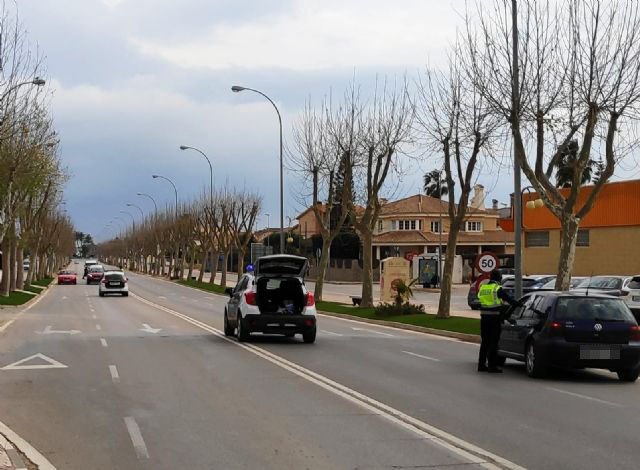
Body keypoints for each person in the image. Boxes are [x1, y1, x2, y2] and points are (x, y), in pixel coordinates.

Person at [477, 270, 518, 373]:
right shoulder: (497, 288)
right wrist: (517, 304)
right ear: (499, 278)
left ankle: (481, 365)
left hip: (484, 318)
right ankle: (492, 366)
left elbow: (479, 301)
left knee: (485, 343)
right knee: (493, 342)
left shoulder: (483, 288)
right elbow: (509, 300)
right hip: (494, 319)